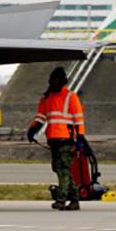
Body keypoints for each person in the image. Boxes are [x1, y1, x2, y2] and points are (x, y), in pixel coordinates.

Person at [26, 66, 86, 210]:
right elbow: (41, 117)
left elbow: (79, 119)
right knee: (60, 168)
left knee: (62, 168)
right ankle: (75, 199)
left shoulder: (71, 97)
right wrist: (32, 130)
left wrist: (80, 138)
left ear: (63, 81)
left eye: (57, 79)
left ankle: (61, 199)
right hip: (53, 139)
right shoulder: (47, 98)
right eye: (53, 80)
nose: (54, 82)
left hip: (66, 139)